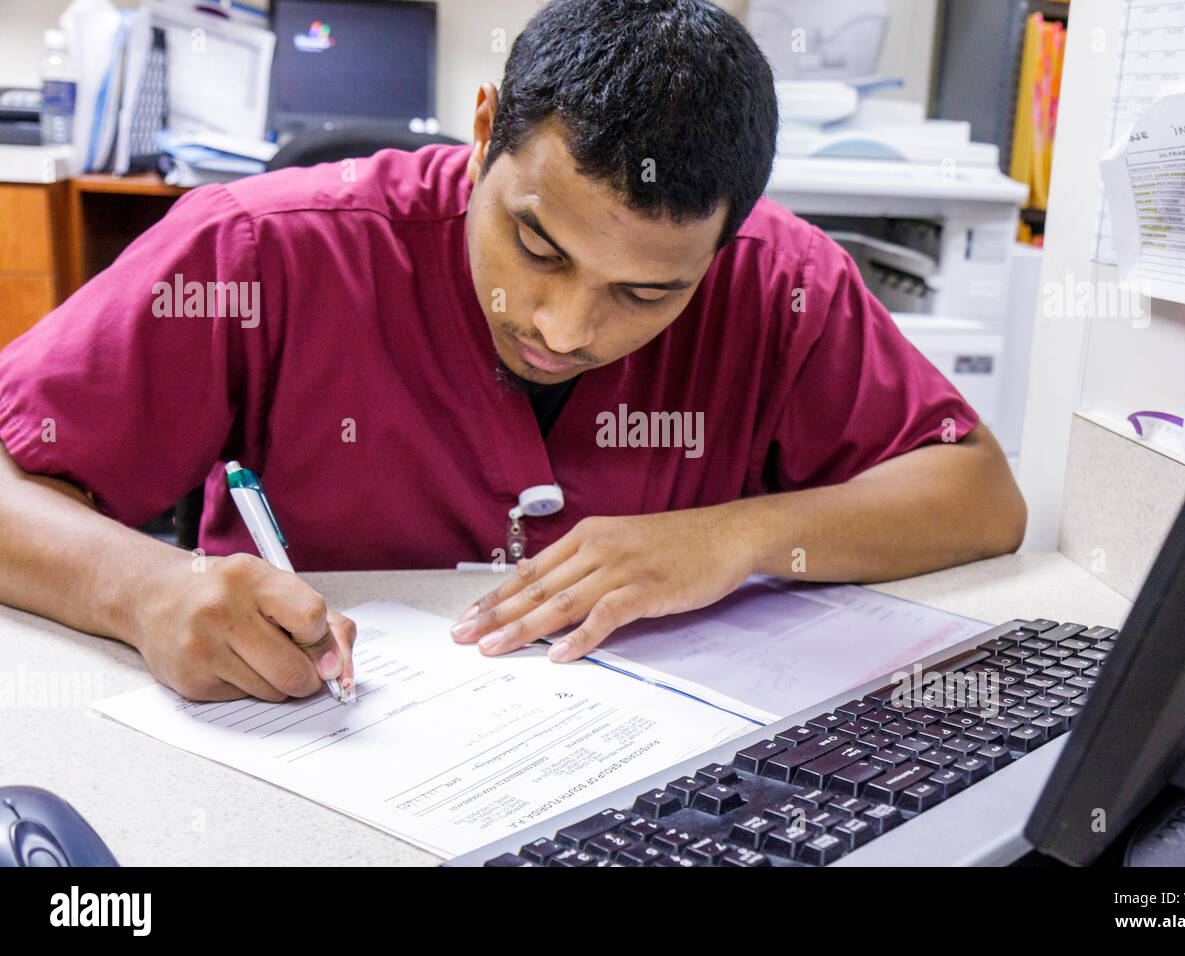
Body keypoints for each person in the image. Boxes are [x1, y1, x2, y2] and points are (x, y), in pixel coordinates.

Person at [0, 0, 1025, 704]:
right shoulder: (257, 247)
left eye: (647, 291)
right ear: (486, 129)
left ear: (726, 239)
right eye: (536, 243)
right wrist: (137, 586)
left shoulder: (779, 279)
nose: (566, 327)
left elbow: (978, 493)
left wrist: (737, 535)